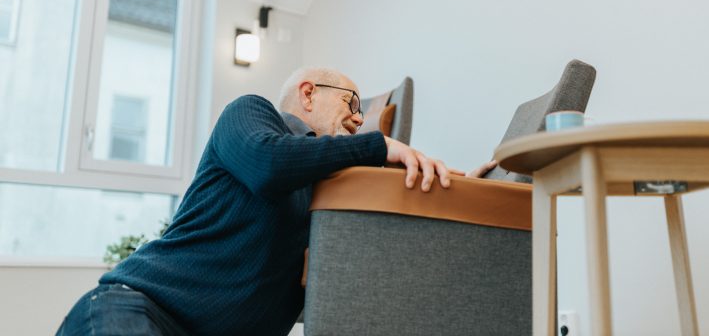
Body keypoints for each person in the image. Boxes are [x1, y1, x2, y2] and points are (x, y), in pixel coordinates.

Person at [56, 67, 495, 336]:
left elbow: (374, 269)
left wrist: (464, 204)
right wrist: (377, 146)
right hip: (135, 312)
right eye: (351, 102)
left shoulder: (327, 193)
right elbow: (267, 165)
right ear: (308, 94)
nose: (360, 118)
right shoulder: (251, 115)